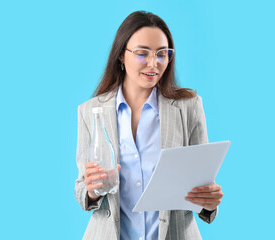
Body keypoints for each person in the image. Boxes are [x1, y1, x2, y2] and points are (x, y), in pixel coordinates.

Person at [75, 11, 223, 240]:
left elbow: (202, 185)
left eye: (162, 54)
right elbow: (82, 189)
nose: (154, 64)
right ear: (121, 56)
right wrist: (93, 190)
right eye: (142, 53)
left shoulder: (189, 106)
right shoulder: (90, 111)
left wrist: (209, 202)